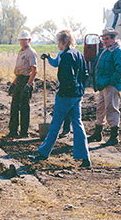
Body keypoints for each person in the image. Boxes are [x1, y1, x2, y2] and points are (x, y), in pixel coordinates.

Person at [30, 30, 91, 167]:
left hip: (66, 96)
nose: (58, 45)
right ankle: (85, 158)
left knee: (55, 125)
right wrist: (49, 58)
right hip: (77, 95)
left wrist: (61, 90)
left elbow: (66, 77)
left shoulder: (66, 56)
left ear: (63, 41)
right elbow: (85, 74)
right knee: (78, 125)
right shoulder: (78, 54)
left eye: (58, 42)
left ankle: (43, 153)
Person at [87, 28, 121, 146]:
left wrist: (110, 82)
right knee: (100, 108)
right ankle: (97, 133)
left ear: (113, 39)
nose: (104, 41)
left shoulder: (118, 51)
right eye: (103, 39)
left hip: (111, 85)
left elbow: (120, 69)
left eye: (106, 39)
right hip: (104, 84)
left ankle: (114, 136)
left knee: (111, 108)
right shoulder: (106, 50)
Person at [7, 30, 38, 138]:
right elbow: (19, 71)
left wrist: (28, 85)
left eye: (24, 40)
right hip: (19, 80)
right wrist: (13, 83)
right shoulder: (21, 52)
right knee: (14, 106)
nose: (22, 42)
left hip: (26, 80)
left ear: (29, 40)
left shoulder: (30, 52)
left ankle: (24, 132)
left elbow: (34, 71)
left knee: (24, 108)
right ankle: (13, 131)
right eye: (21, 40)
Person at [41, 51, 72, 138]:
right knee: (59, 107)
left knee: (68, 108)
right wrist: (48, 57)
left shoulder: (72, 54)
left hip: (70, 85)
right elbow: (56, 63)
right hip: (61, 84)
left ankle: (67, 129)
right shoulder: (61, 53)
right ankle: (57, 130)